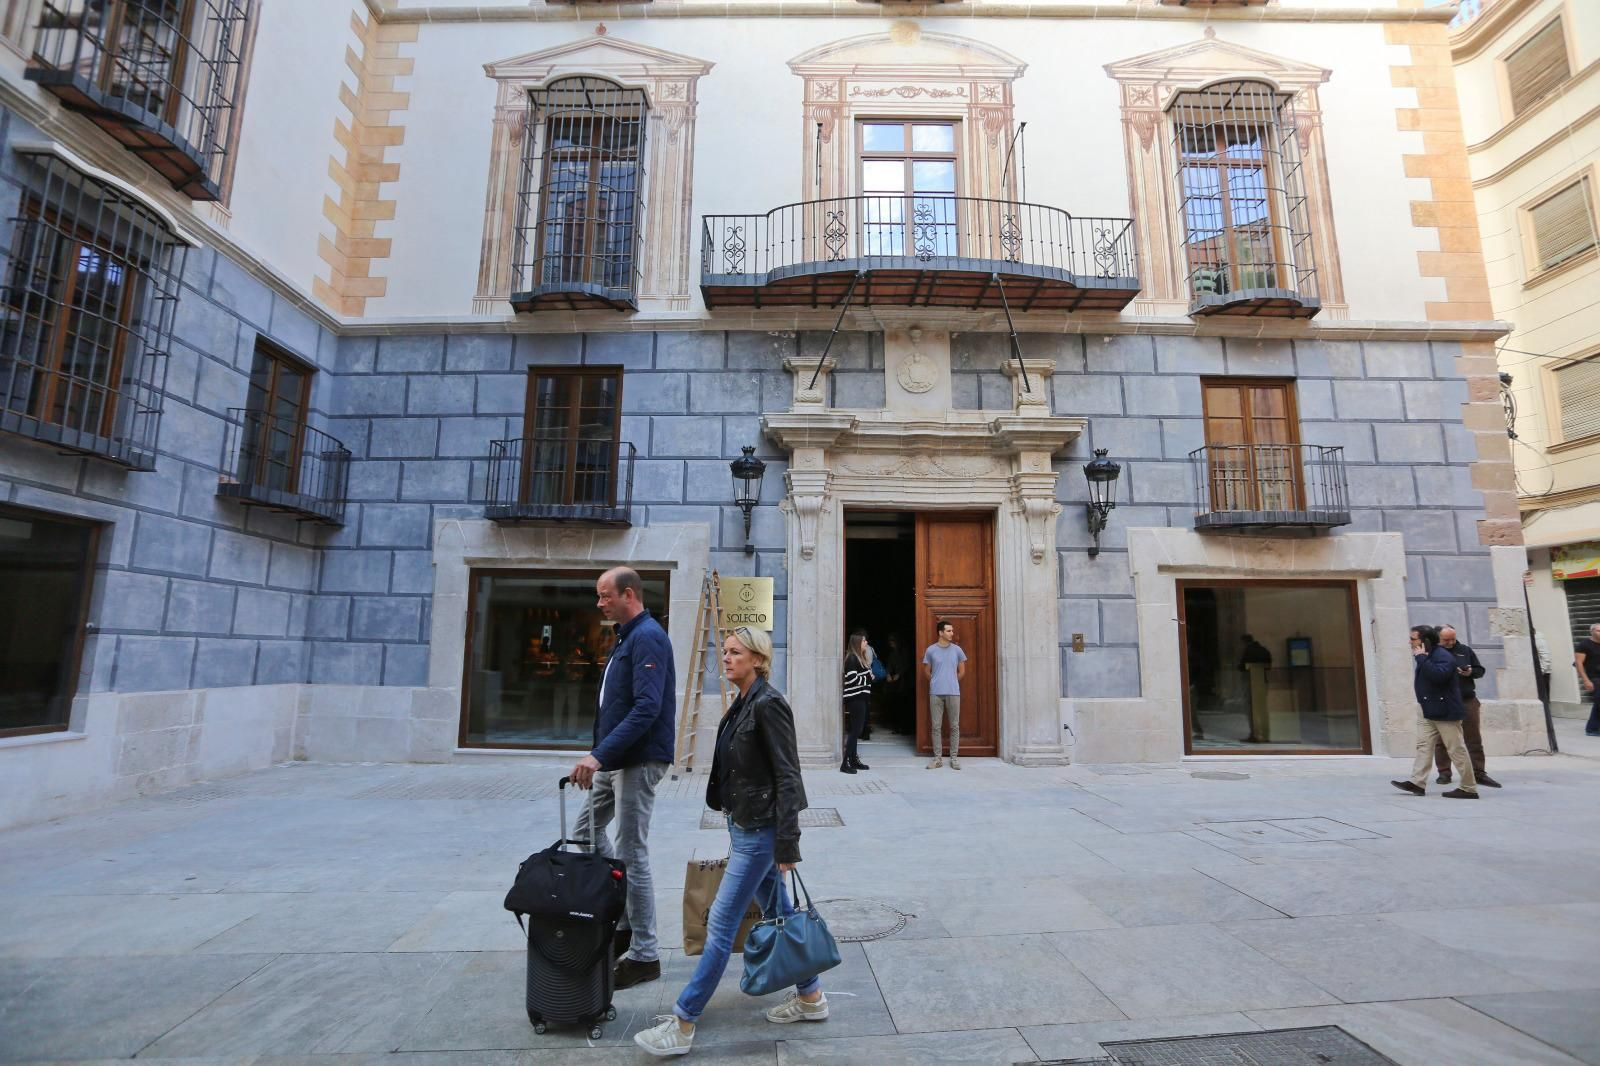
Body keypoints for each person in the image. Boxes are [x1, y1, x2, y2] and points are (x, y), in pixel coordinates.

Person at [634, 625, 827, 1058]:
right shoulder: (743, 703)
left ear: (758, 659)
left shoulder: (770, 704)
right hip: (742, 827)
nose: (726, 658)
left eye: (736, 652)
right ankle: (812, 996)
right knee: (779, 911)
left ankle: (684, 1021)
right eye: (724, 651)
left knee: (720, 925)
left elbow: (788, 776)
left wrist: (787, 846)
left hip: (760, 835)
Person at [569, 567, 676, 990]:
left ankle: (646, 954)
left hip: (637, 759)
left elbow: (647, 708)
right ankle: (626, 925)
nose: (599, 603)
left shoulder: (647, 636)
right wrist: (602, 755)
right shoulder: (627, 637)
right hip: (615, 759)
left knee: (633, 850)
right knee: (585, 833)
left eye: (604, 596)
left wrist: (598, 755)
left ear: (627, 594)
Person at [1392, 625, 1479, 799]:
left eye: (1413, 638)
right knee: (1423, 746)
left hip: (1445, 710)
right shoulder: (1427, 655)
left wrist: (1422, 659)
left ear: (1424, 641)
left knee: (1456, 749)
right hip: (1428, 709)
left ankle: (1469, 788)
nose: (1410, 642)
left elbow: (1439, 676)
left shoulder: (1442, 656)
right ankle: (1417, 782)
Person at [1431, 624, 1499, 788]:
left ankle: (1479, 772)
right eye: (1446, 640)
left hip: (1467, 699)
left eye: (1453, 638)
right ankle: (1444, 772)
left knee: (1473, 738)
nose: (1450, 642)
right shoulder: (1432, 652)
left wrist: (1470, 672)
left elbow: (1480, 670)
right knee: (1442, 740)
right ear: (1438, 638)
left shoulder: (1465, 650)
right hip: (1443, 701)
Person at [922, 620, 967, 769]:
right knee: (936, 726)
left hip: (953, 693)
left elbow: (962, 671)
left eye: (952, 631)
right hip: (935, 693)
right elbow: (927, 671)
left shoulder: (957, 650)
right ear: (940, 632)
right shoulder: (931, 650)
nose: (952, 633)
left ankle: (954, 758)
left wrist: (952, 681)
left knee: (954, 726)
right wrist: (936, 681)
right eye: (948, 631)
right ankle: (937, 759)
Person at [840, 630, 872, 775]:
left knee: (856, 730)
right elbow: (852, 679)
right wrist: (867, 677)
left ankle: (853, 760)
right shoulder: (852, 658)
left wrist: (867, 675)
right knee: (855, 731)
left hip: (861, 697)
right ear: (858, 643)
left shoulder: (859, 658)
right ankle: (845, 763)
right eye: (864, 641)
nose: (866, 643)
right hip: (855, 698)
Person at [1578, 622, 1600, 736]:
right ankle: (1592, 728)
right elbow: (1578, 663)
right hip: (1594, 677)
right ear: (1592, 632)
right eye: (1598, 630)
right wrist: (1586, 680)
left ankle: (1592, 728)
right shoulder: (1585, 644)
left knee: (1598, 702)